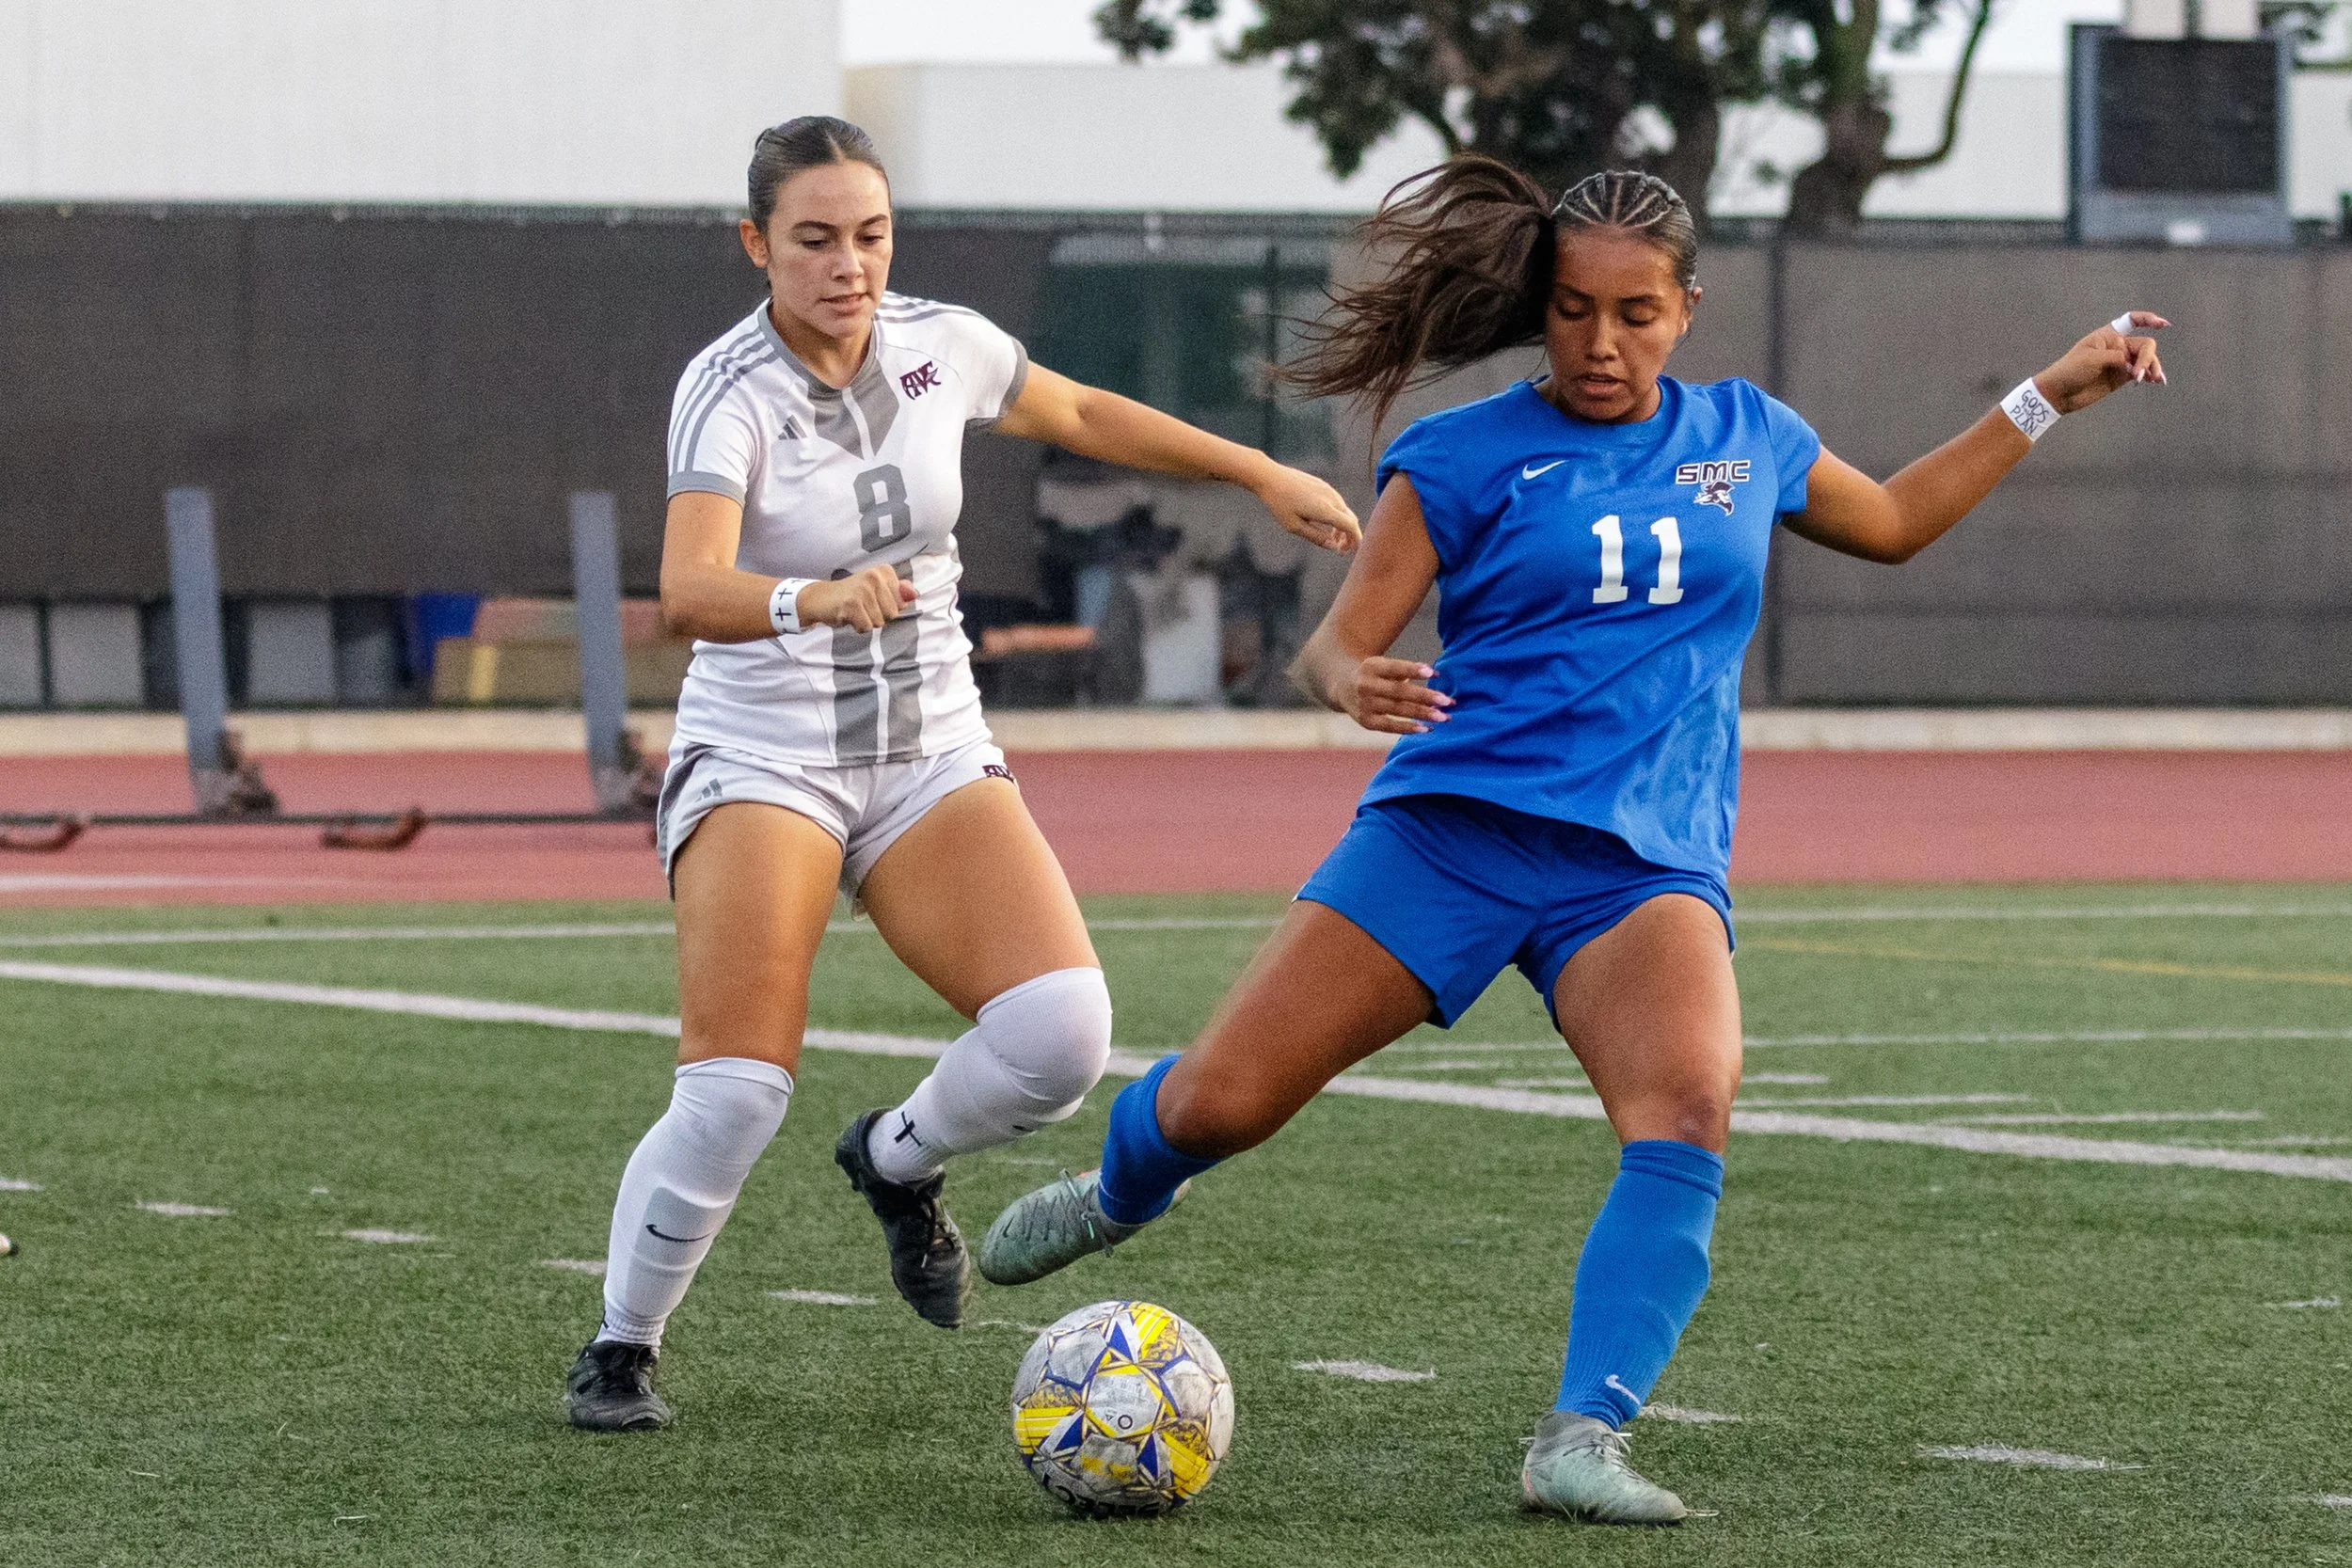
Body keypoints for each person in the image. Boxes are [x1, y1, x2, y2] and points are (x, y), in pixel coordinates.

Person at [977, 158, 2168, 1523]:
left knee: (1688, 1106)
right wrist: (1346, 683)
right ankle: (1128, 1184)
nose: (1604, 344)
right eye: (1573, 310)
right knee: (1219, 1106)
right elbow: (1332, 647)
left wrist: (2045, 396)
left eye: (1638, 313)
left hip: (1642, 865)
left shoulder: (1747, 434)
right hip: (1452, 835)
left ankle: (1579, 1436)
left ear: (1686, 308)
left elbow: (1892, 522)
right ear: (1540, 307)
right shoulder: (1461, 453)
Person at [563, 116, 1359, 1432]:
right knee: (735, 1089)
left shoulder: (946, 341)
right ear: (755, 244)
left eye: (869, 235)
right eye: (813, 239)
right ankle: (621, 1340)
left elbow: (1082, 410)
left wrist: (1257, 466)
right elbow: (685, 592)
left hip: (928, 747)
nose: (847, 264)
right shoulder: (729, 387)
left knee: (1060, 1037)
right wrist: (811, 598)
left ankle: (894, 1158)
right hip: (767, 754)